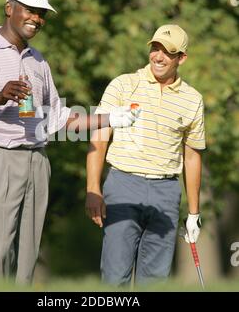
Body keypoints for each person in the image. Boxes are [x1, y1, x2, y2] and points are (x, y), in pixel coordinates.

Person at [0, 0, 138, 284]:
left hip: (36, 161)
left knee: (26, 257)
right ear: (9, 9)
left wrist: (111, 117)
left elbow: (58, 120)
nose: (37, 18)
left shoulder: (38, 60)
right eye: (31, 11)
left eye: (42, 14)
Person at [86, 24, 206, 285]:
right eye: (155, 48)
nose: (158, 56)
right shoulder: (123, 84)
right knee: (115, 277)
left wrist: (194, 213)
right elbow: (99, 137)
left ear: (181, 58)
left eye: (167, 52)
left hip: (166, 192)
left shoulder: (192, 99)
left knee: (155, 281)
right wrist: (93, 188)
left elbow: (193, 156)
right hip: (123, 185)